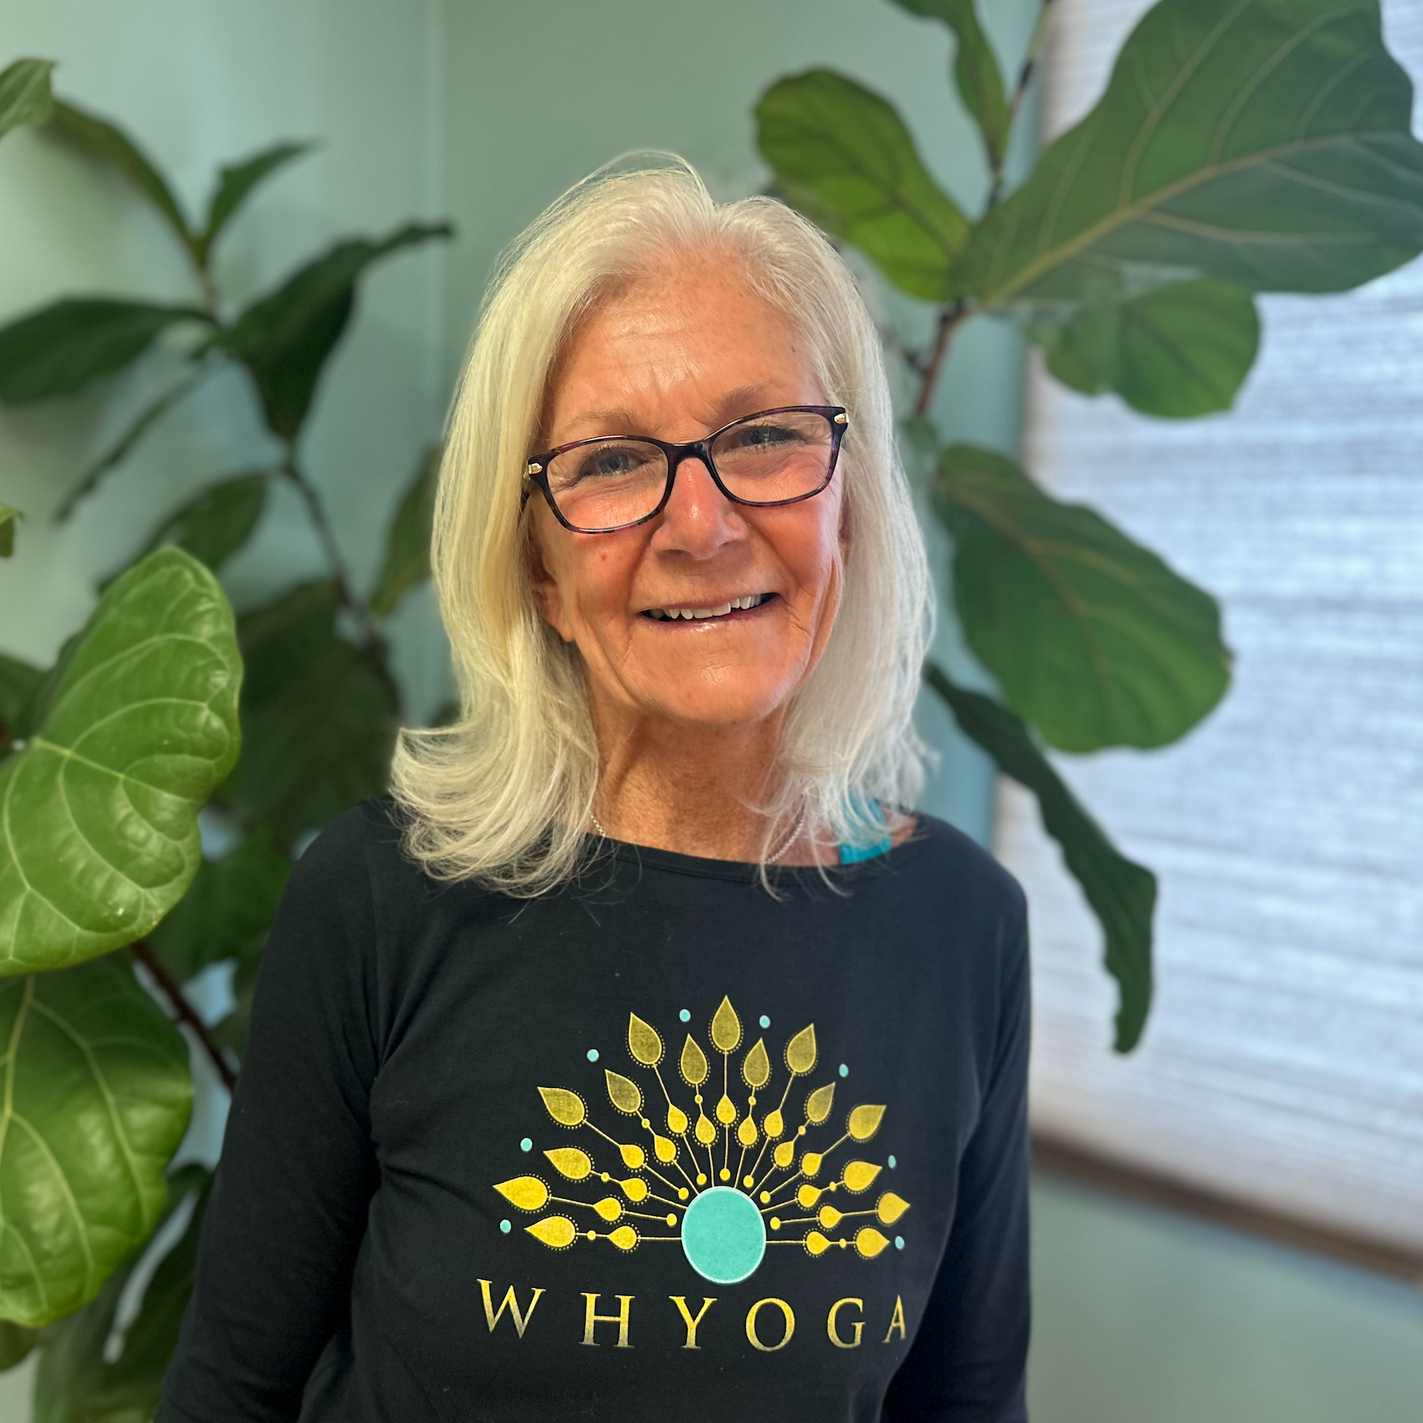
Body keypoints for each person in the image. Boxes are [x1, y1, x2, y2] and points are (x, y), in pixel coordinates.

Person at [157, 159, 1030, 1423]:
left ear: (847, 499)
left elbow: (968, 1407)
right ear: (540, 570)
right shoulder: (380, 900)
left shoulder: (963, 925)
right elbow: (229, 1394)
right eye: (616, 461)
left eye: (766, 436)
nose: (701, 522)